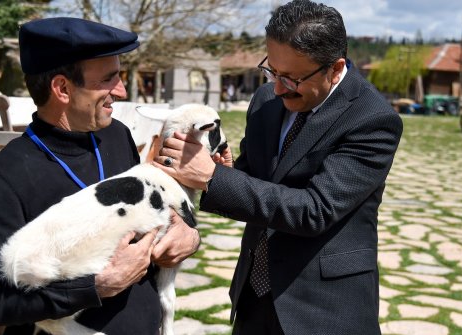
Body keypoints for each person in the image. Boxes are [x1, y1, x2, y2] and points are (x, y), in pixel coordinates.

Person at [154, 1, 403, 334]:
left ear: (334, 68)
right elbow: (256, 179)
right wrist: (224, 170)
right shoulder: (265, 101)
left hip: (323, 308)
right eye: (271, 70)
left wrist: (213, 178)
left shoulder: (372, 119)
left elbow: (315, 210)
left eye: (292, 78)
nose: (279, 87)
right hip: (254, 298)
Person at [0, 17, 200, 334]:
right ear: (62, 88)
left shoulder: (117, 136)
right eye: (108, 79)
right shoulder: (8, 175)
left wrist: (188, 234)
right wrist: (96, 287)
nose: (119, 91)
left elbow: (156, 214)